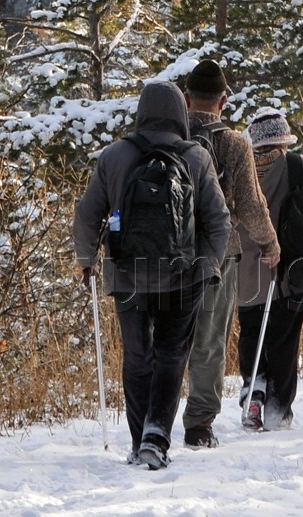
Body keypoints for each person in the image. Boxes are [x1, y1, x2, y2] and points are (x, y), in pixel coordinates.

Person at [73, 80, 232, 469]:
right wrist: (209, 264)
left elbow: (87, 215)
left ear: (141, 111)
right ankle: (156, 436)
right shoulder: (196, 157)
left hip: (127, 275)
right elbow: (218, 220)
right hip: (182, 276)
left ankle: (136, 438)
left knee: (138, 355)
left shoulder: (114, 156)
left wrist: (87, 259)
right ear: (181, 110)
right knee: (171, 353)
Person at [177, 60, 280, 449]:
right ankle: (199, 423)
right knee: (209, 340)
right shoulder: (234, 143)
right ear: (223, 100)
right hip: (221, 254)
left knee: (167, 338)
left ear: (185, 98)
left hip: (167, 253)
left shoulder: (166, 136)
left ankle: (155, 416)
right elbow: (252, 205)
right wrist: (270, 244)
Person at [236, 108, 303, 431]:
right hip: (290, 271)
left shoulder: (237, 169)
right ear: (283, 139)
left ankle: (254, 391)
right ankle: (279, 408)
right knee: (284, 340)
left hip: (246, 273)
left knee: (251, 334)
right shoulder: (297, 166)